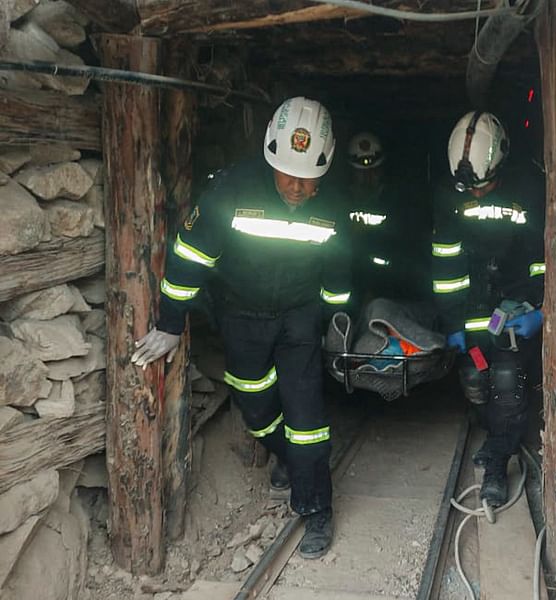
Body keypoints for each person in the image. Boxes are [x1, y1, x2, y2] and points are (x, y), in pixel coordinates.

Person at [130, 96, 352, 559]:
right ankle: (287, 458)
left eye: (308, 180)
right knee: (254, 404)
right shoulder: (230, 192)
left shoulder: (333, 205)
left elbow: (338, 268)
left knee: (307, 419)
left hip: (298, 319)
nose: (296, 187)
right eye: (289, 174)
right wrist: (171, 324)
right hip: (242, 315)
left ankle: (316, 509)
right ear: (270, 157)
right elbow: (189, 257)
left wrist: (335, 318)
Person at [431, 110, 545, 507]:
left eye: (484, 184)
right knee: (478, 383)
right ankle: (494, 432)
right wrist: (452, 325)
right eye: (470, 188)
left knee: (507, 383)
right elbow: (446, 264)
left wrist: (539, 306)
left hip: (515, 312)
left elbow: (545, 256)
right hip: (474, 315)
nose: (477, 193)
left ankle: (497, 462)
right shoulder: (449, 197)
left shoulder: (530, 189)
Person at [344, 131, 431, 310]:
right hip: (349, 286)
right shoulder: (341, 202)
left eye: (373, 171)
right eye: (361, 172)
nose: (367, 177)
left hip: (389, 290)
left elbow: (405, 249)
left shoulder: (398, 203)